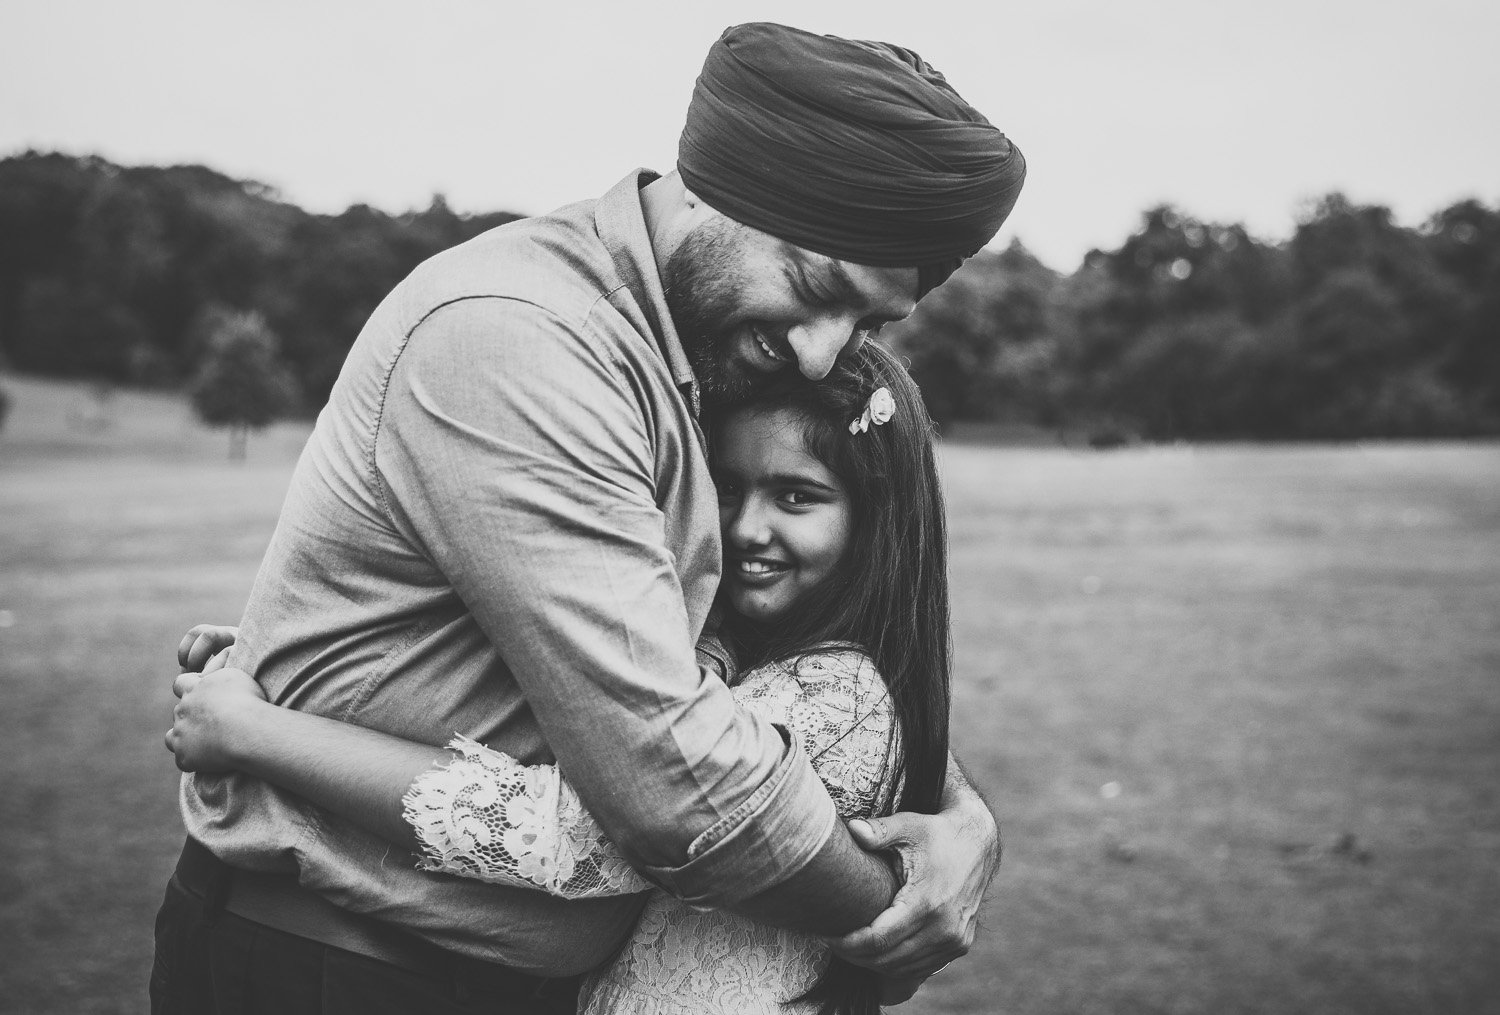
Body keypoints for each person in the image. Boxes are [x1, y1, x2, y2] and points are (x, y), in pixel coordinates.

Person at [152, 21, 1025, 1015]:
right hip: (344, 971)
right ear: (714, 190)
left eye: (867, 324)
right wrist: (894, 910)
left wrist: (959, 813)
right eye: (817, 288)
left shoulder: (693, 362)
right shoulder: (525, 341)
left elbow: (767, 669)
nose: (826, 358)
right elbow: (678, 784)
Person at [169, 342, 953, 1014]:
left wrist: (257, 729)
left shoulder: (833, 691)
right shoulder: (752, 654)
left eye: (796, 496)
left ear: (874, 518)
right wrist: (302, 667)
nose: (747, 527)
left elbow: (572, 836)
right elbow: (562, 678)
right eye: (727, 486)